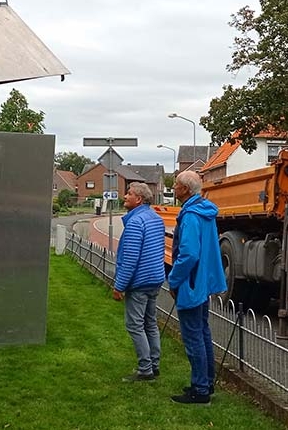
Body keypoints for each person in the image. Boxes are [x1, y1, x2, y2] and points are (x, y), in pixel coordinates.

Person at [168, 171, 227, 405]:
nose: (173, 188)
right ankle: (206, 382)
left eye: (176, 185)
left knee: (193, 336)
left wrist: (174, 279)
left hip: (191, 282)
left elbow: (189, 253)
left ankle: (200, 389)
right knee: (202, 332)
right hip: (203, 281)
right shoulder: (206, 211)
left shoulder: (191, 215)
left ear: (185, 189)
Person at [112, 182, 166, 382]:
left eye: (129, 194)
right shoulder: (156, 219)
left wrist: (119, 286)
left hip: (140, 282)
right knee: (150, 323)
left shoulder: (136, 223)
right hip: (155, 279)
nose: (125, 196)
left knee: (135, 325)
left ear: (139, 199)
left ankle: (145, 370)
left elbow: (131, 258)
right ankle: (155, 364)